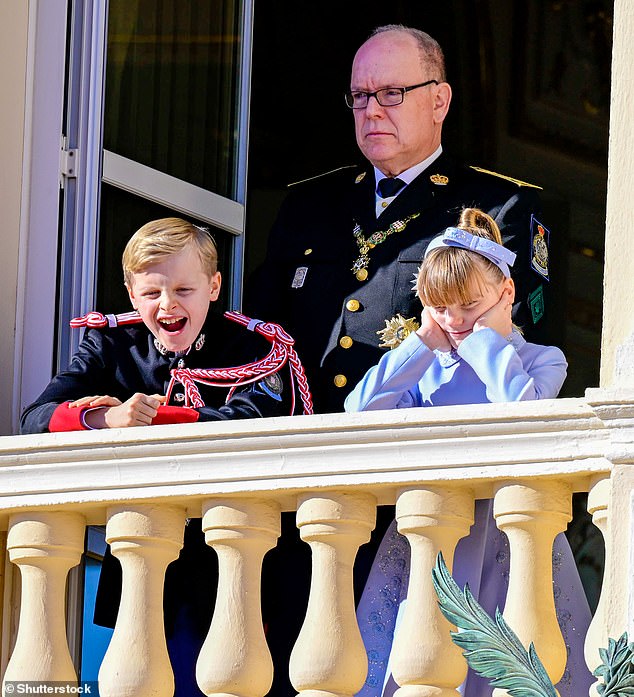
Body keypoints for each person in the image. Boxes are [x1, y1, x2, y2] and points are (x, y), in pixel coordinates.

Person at [247, 24, 557, 696]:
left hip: (410, 500)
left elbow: (509, 345)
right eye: (359, 96)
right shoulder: (310, 205)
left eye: (392, 92)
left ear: (439, 100)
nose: (372, 110)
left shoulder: (495, 206)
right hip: (302, 491)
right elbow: (262, 344)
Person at [20, 217, 310, 697]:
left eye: (184, 290)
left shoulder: (257, 346)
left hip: (238, 567)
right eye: (152, 293)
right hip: (144, 567)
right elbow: (35, 419)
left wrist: (160, 422)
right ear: (131, 294)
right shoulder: (112, 344)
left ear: (214, 286)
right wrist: (104, 421)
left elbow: (252, 425)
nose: (168, 306)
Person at [345, 208, 592, 697]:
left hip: (507, 538)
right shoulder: (424, 366)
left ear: (507, 294)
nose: (454, 321)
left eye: (469, 306)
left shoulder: (542, 359)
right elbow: (360, 411)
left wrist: (486, 341)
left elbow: (522, 415)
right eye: (440, 308)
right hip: (431, 538)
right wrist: (420, 345)